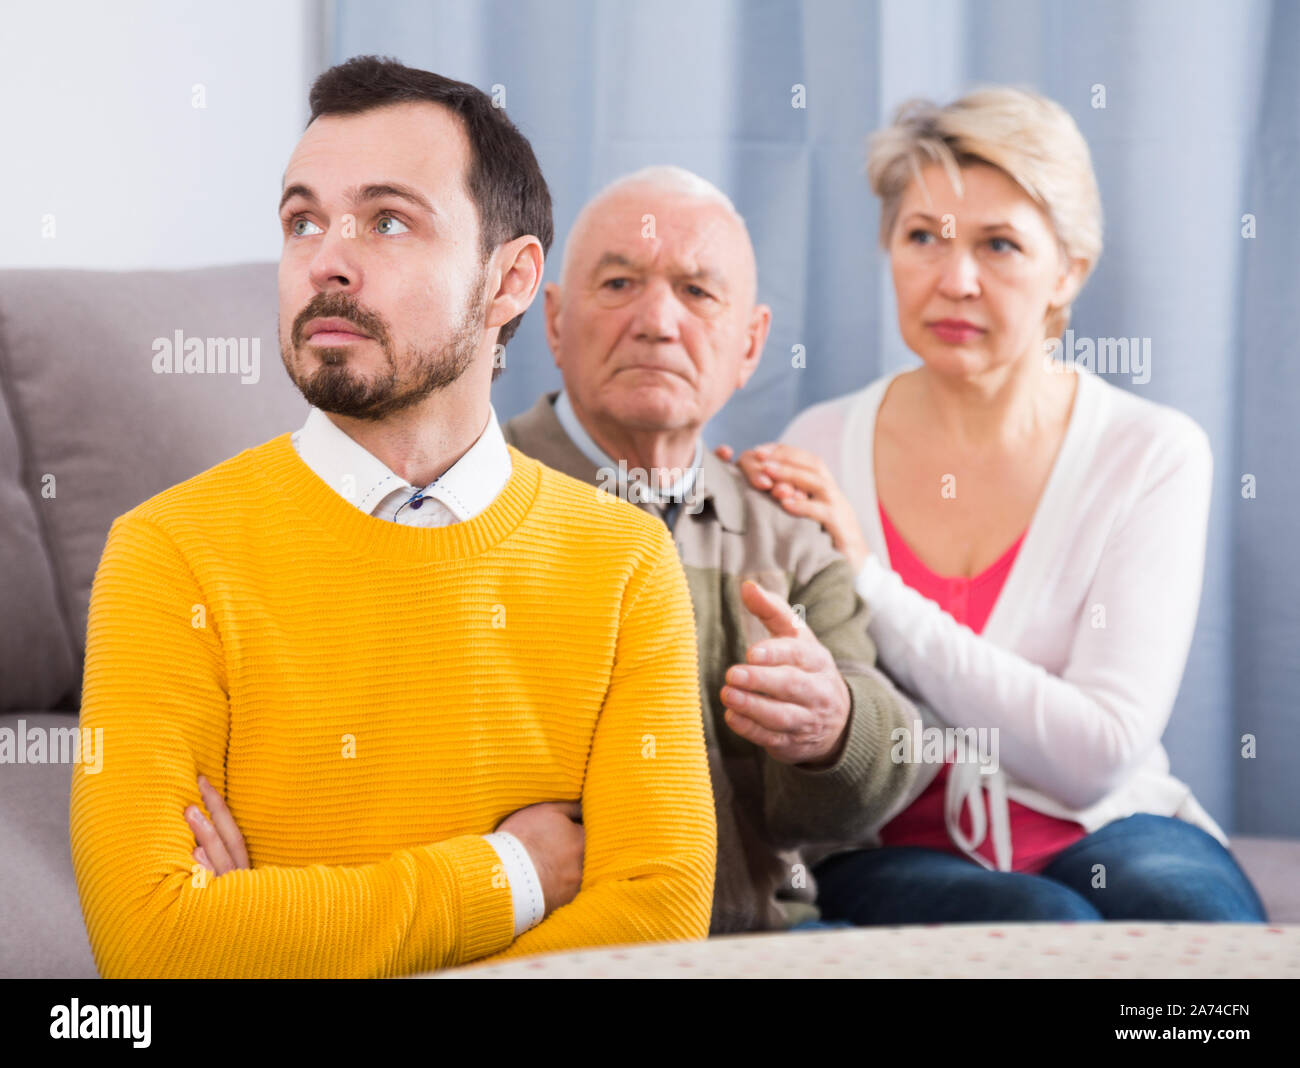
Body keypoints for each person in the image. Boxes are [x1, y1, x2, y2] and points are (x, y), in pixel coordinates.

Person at [69, 56, 717, 979]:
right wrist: (517, 874)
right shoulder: (167, 555)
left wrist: (285, 936)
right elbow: (157, 940)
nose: (325, 259)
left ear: (509, 281)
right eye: (302, 221)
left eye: (388, 220)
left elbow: (656, 921)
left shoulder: (622, 561)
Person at [725, 88, 1267, 922]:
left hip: (1107, 826)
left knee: (1199, 934)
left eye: (1001, 244)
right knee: (1048, 933)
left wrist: (875, 585)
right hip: (888, 849)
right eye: (922, 239)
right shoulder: (822, 442)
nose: (956, 280)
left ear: (1069, 270)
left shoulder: (1152, 452)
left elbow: (1097, 757)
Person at [504, 165, 920, 933]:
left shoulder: (792, 536)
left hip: (762, 945)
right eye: (620, 283)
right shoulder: (461, 503)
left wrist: (833, 730)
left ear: (751, 344)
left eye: (698, 293)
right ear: (554, 323)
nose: (658, 322)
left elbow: (864, 787)